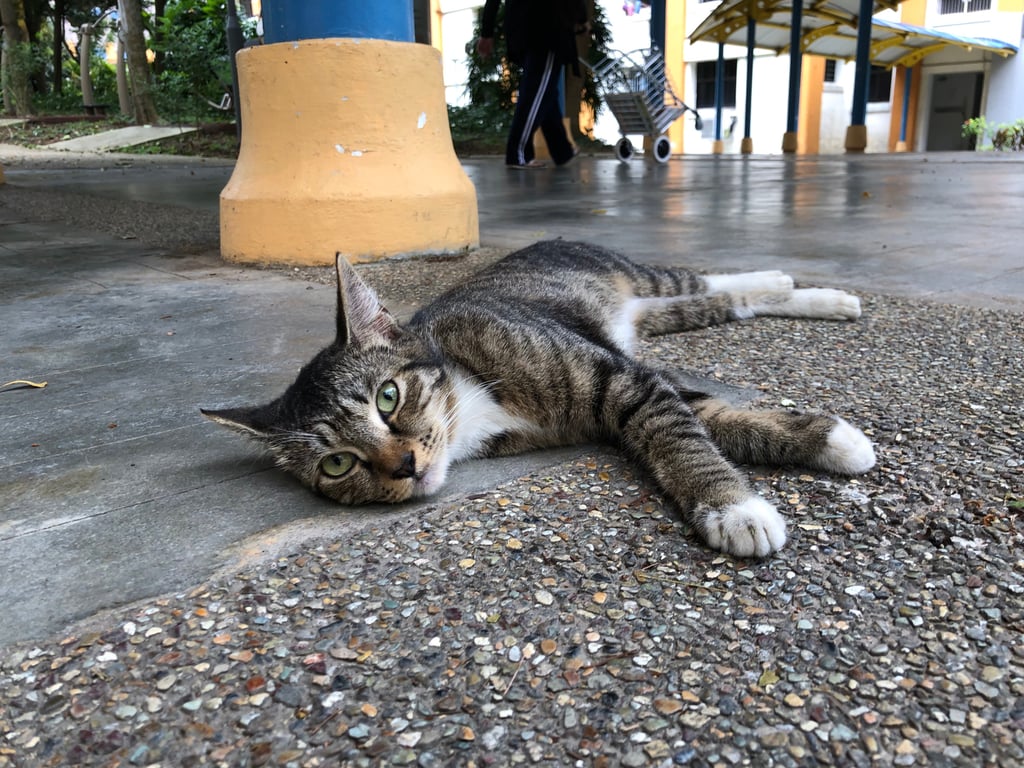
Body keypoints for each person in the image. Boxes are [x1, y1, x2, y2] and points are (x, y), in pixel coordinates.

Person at [476, 0, 589, 169]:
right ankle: (517, 153)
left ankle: (562, 150)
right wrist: (581, 18)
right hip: (547, 30)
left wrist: (486, 33)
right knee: (535, 93)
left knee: (544, 91)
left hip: (521, 30)